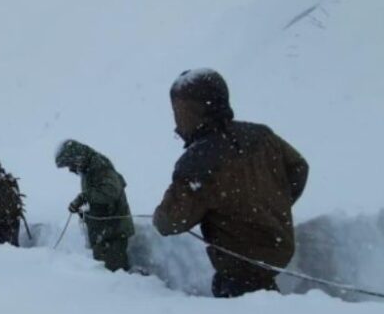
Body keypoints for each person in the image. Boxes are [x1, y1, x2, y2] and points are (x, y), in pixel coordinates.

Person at [152, 68, 309, 298]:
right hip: (276, 253)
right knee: (266, 308)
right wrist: (273, 206)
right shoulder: (261, 135)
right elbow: (298, 168)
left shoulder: (198, 161)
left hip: (238, 268)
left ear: (189, 112)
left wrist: (162, 212)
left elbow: (170, 222)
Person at [54, 139, 136, 271]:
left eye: (70, 164)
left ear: (76, 158)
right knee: (106, 274)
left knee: (114, 277)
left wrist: (84, 197)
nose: (70, 169)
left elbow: (111, 192)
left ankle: (141, 287)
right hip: (103, 232)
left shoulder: (99, 166)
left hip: (113, 231)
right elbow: (96, 195)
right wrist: (83, 204)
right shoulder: (87, 167)